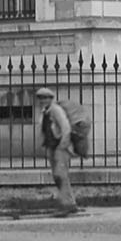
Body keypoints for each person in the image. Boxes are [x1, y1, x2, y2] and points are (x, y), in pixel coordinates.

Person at [35, 87, 80, 215]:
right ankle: (67, 202)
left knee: (61, 175)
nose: (42, 101)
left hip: (60, 146)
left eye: (45, 98)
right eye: (40, 98)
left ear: (51, 98)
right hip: (52, 146)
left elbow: (66, 128)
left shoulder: (56, 110)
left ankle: (68, 204)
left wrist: (62, 145)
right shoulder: (45, 112)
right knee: (57, 175)